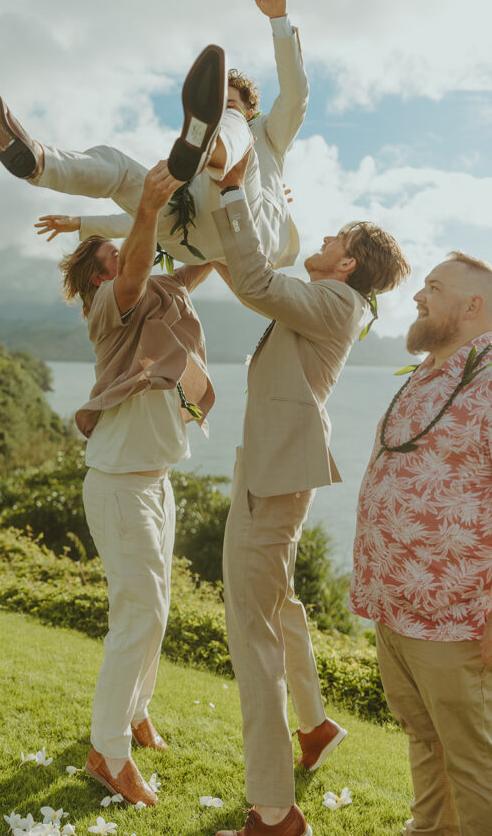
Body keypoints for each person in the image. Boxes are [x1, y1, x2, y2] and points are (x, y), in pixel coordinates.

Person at [209, 151, 410, 836]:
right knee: (279, 605)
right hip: (272, 470)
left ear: (347, 266)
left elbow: (256, 281)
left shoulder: (333, 301)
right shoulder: (334, 299)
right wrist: (257, 202)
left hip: (275, 476)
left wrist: (235, 194)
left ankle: (273, 809)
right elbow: (258, 276)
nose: (321, 243)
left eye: (333, 242)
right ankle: (316, 725)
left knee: (251, 629)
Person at [52, 160, 216, 807]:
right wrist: (145, 209)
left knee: (155, 608)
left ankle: (135, 711)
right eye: (114, 253)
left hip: (154, 479)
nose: (125, 253)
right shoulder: (109, 303)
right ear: (99, 272)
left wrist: (241, 212)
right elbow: (138, 265)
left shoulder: (160, 298)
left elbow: (200, 261)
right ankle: (106, 750)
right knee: (137, 612)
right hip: (119, 481)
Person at [0, 0, 308, 272]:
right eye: (215, 108)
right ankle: (38, 161)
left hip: (250, 231)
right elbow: (141, 218)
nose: (224, 111)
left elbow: (295, 94)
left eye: (231, 105)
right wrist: (82, 223)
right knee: (122, 169)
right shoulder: (184, 165)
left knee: (227, 135)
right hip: (190, 240)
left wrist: (279, 20)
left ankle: (209, 148)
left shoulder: (268, 134)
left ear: (251, 111)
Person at [350, 252, 492, 836]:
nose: (417, 296)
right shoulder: (435, 370)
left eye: (433, 287)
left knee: (473, 757)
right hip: (396, 606)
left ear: (472, 306)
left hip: (455, 619)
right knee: (424, 737)